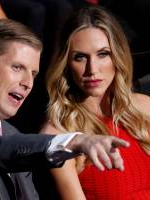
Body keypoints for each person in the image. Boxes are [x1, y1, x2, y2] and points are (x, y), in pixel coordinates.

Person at [0, 18, 129, 200]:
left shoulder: (12, 134)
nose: (28, 83)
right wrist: (72, 141)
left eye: (33, 74)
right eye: (17, 67)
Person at [40, 5, 150, 200]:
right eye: (80, 57)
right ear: (66, 64)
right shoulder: (59, 134)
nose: (92, 69)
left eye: (103, 54)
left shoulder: (145, 107)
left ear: (118, 56)